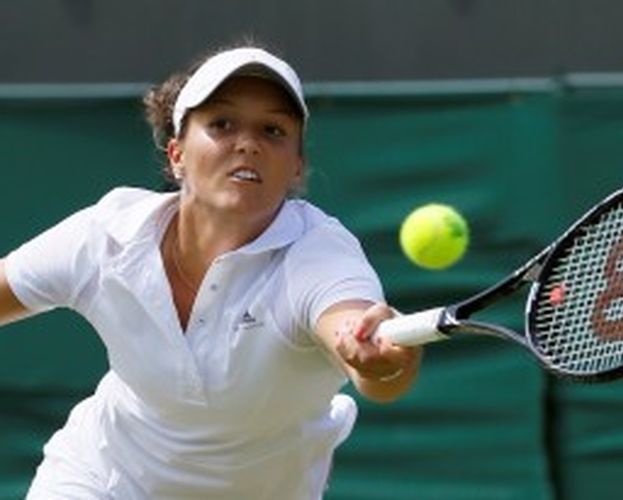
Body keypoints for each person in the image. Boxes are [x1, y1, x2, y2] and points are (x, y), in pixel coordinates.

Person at [0, 43, 422, 499]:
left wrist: (379, 360)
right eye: (221, 124)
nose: (247, 143)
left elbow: (365, 352)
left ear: (296, 166)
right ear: (177, 154)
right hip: (102, 479)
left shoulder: (319, 254)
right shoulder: (108, 236)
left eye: (273, 130)